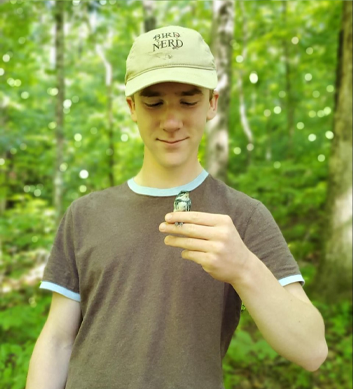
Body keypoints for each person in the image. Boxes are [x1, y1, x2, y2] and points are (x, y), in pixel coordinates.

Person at [26, 25, 328, 389]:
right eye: (154, 102)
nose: (171, 122)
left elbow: (312, 350)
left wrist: (244, 268)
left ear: (212, 103)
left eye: (188, 101)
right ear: (132, 107)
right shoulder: (84, 215)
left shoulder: (243, 217)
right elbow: (57, 341)